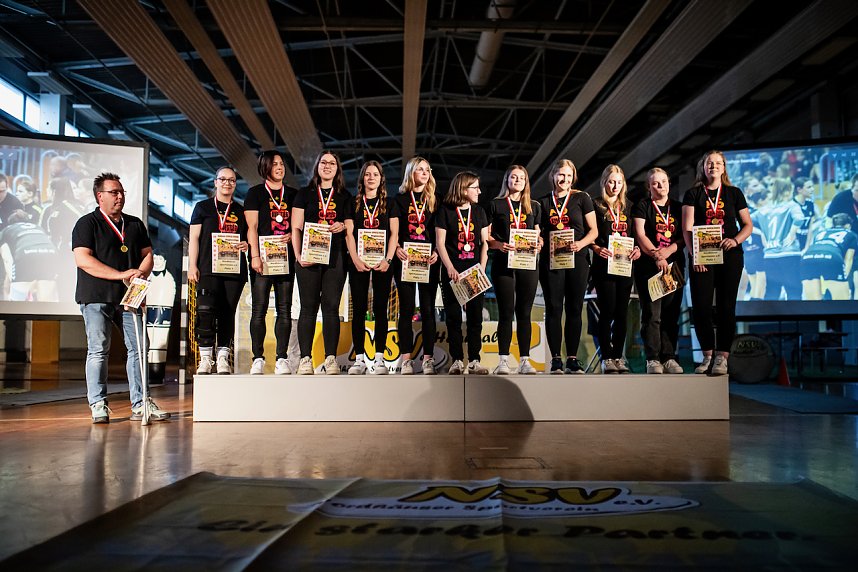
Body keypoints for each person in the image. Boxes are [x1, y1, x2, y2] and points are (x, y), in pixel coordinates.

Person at [71, 172, 170, 424]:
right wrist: (120, 275)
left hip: (129, 298)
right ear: (99, 196)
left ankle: (140, 402)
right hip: (95, 297)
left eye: (121, 192)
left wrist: (140, 273)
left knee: (139, 347)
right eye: (114, 192)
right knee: (98, 350)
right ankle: (98, 404)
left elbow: (148, 254)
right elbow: (83, 260)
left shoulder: (134, 224)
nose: (119, 197)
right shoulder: (87, 223)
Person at [682, 150, 753, 376]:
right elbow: (687, 228)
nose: (713, 166)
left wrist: (735, 239)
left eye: (717, 163)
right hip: (703, 257)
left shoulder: (734, 193)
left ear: (724, 168)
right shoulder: (693, 194)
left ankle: (722, 357)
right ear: (703, 167)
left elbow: (747, 225)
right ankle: (707, 356)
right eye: (709, 163)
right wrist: (695, 256)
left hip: (730, 256)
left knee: (726, 307)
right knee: (701, 308)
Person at [292, 151, 351, 375]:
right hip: (308, 257)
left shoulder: (344, 195)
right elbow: (296, 226)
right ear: (317, 166)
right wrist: (298, 256)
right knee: (308, 308)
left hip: (335, 257)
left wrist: (342, 226)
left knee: (331, 308)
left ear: (337, 169)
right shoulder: (304, 194)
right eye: (323, 162)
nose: (327, 166)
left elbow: (349, 225)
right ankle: (306, 359)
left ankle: (330, 359)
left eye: (332, 163)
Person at [538, 159, 598, 374]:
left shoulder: (582, 198)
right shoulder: (543, 203)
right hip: (552, 261)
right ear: (553, 176)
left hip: (578, 260)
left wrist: (581, 244)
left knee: (574, 309)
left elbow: (594, 231)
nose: (565, 179)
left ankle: (572, 359)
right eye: (561, 175)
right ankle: (556, 360)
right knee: (554, 309)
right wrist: (540, 242)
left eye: (569, 176)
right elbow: (540, 234)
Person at [188, 167, 249, 375]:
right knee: (205, 311)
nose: (227, 183)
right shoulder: (202, 207)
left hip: (233, 270)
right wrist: (192, 265)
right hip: (207, 269)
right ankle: (205, 357)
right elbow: (194, 238)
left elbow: (248, 238)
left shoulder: (241, 211)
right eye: (223, 179)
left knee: (227, 314)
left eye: (232, 180)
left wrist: (246, 245)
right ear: (215, 182)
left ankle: (223, 357)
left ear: (235, 184)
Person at [244, 150, 298, 375]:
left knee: (284, 310)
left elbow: (298, 227)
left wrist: (292, 236)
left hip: (285, 259)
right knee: (259, 310)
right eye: (275, 164)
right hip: (262, 259)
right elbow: (252, 228)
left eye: (282, 163)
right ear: (265, 167)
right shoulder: (255, 193)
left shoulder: (294, 194)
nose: (280, 167)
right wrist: (255, 255)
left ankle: (282, 358)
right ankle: (257, 358)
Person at [486, 165, 542, 375]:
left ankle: (525, 360)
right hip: (503, 264)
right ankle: (503, 360)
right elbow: (487, 237)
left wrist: (539, 244)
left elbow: (538, 234)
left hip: (528, 264)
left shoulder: (533, 206)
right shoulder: (496, 204)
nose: (517, 180)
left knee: (524, 313)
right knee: (506, 312)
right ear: (507, 180)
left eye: (521, 178)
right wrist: (499, 245)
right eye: (513, 177)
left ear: (526, 181)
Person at [389, 157, 441, 374]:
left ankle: (428, 359)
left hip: (429, 260)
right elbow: (393, 231)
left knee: (428, 310)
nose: (425, 172)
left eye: (427, 170)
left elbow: (441, 233)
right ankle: (406, 359)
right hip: (405, 260)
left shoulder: (435, 200)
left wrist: (438, 252)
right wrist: (397, 247)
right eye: (420, 169)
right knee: (407, 309)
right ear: (411, 172)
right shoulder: (399, 200)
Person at [345, 161, 397, 375]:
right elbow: (349, 233)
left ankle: (379, 359)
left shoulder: (390, 203)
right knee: (358, 310)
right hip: (358, 262)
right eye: (367, 174)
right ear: (362, 179)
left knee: (380, 309)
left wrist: (388, 259)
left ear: (381, 179)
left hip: (382, 263)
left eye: (375, 174)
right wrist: (355, 258)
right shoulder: (353, 202)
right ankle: (358, 359)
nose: (371, 177)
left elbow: (394, 234)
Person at [435, 171, 490, 375]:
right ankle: (457, 359)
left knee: (476, 318)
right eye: (475, 187)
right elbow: (440, 243)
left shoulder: (479, 212)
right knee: (453, 318)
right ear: (463, 188)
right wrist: (449, 267)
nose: (479, 191)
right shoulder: (445, 210)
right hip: (452, 273)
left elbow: (484, 243)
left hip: (474, 272)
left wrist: (482, 269)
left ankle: (474, 359)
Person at [633, 168, 685, 374]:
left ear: (669, 184)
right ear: (649, 187)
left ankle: (669, 357)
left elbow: (684, 236)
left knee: (671, 315)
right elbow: (640, 233)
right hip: (649, 267)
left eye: (664, 181)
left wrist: (669, 251)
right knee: (652, 315)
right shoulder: (643, 206)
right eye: (655, 183)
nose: (661, 186)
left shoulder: (679, 207)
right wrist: (656, 255)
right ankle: (653, 358)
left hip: (673, 267)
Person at [590, 165, 640, 374]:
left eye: (619, 182)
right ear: (604, 182)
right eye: (611, 181)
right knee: (607, 311)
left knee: (621, 313)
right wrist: (596, 248)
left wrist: (637, 248)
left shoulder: (629, 206)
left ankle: (619, 356)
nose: (615, 186)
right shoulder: (595, 205)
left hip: (625, 265)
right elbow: (589, 234)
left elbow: (635, 234)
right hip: (604, 266)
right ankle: (607, 358)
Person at [0, 211, 59, 302]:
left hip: (25, 254)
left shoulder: (7, 229)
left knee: (19, 302)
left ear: (10, 222)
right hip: (51, 254)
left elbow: (6, 258)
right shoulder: (38, 228)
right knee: (47, 302)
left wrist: (13, 280)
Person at [800, 213, 856, 301]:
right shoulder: (851, 234)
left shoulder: (821, 233)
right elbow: (848, 260)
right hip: (831, 256)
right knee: (842, 303)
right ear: (848, 225)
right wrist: (843, 280)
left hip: (807, 257)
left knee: (813, 304)